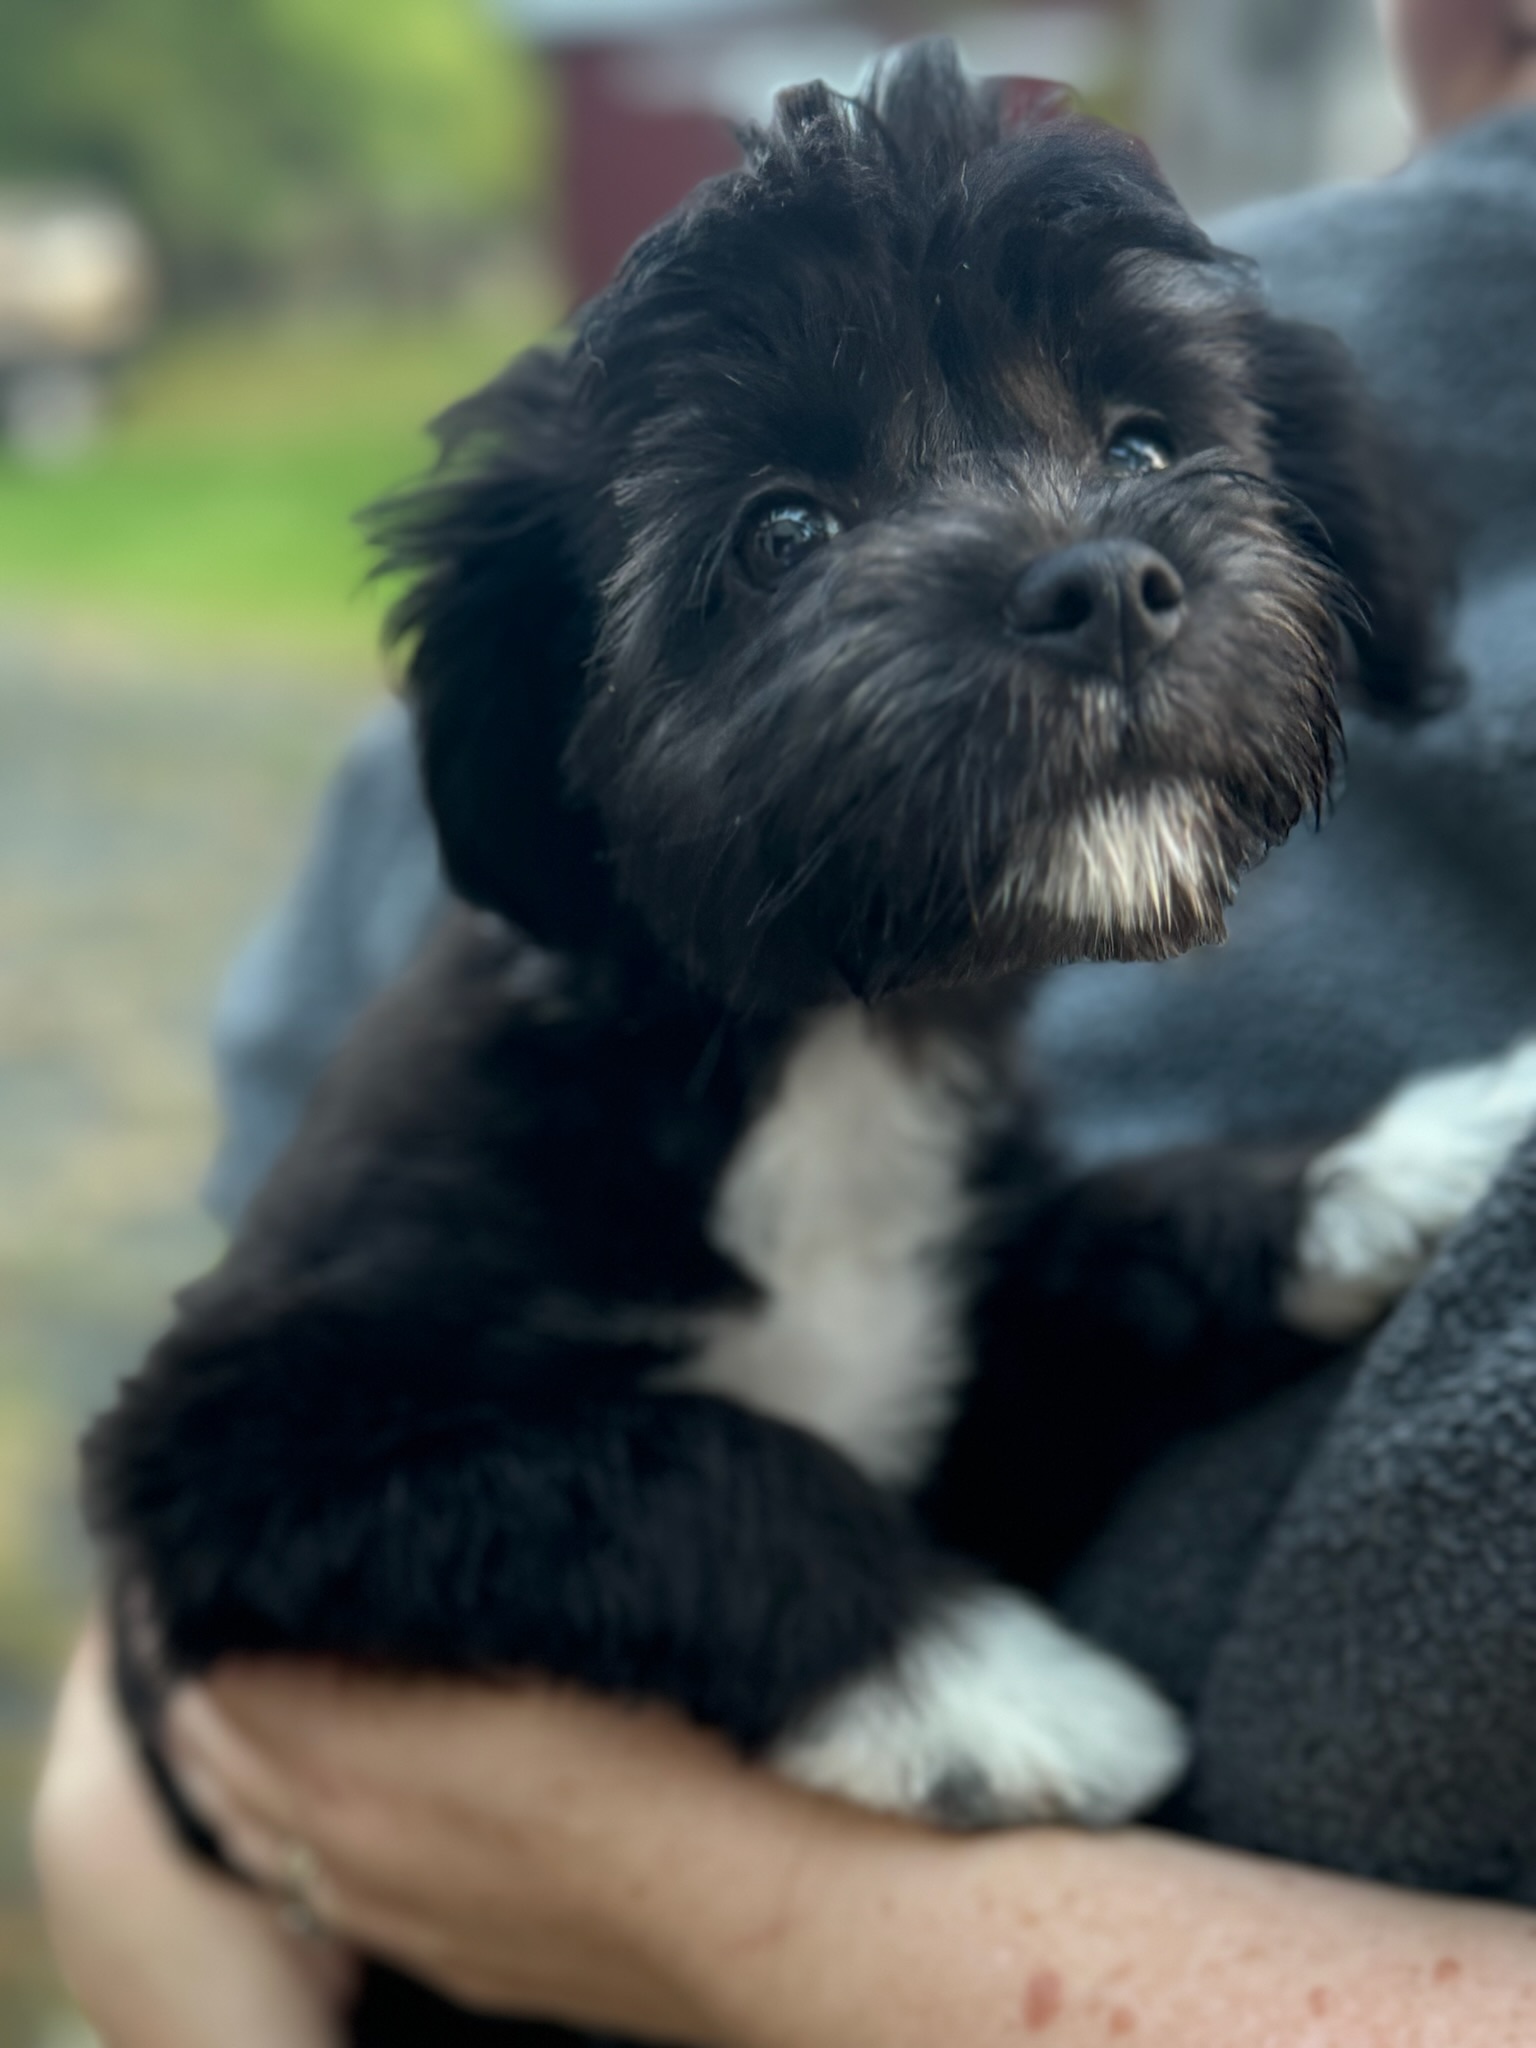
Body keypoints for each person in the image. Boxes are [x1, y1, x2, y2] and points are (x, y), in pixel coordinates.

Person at [35, 2, 1536, 2040]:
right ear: (548, 742)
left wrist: (1332, 1208)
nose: (1093, 566)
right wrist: (851, 1632)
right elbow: (227, 1480)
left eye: (1143, 444)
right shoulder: (493, 1129)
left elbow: (989, 1314)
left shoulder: (933, 1106)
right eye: (787, 534)